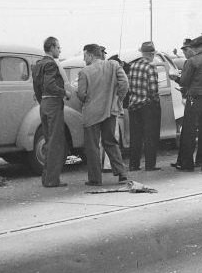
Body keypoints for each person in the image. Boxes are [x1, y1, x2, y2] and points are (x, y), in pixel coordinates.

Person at [77, 43, 130, 185]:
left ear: (90, 55)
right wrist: (118, 98)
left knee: (92, 146)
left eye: (84, 56)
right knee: (111, 142)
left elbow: (81, 94)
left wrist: (87, 98)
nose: (84, 59)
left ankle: (95, 179)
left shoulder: (84, 72)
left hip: (91, 114)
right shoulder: (113, 65)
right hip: (110, 111)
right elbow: (124, 82)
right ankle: (122, 174)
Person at [171, 34, 202, 172]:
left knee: (189, 131)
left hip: (195, 99)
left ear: (195, 48)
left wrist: (177, 78)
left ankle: (187, 164)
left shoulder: (192, 61)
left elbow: (184, 82)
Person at [32, 36, 70, 188]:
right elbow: (50, 85)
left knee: (48, 141)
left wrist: (43, 102)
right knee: (55, 142)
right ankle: (52, 180)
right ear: (52, 48)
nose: (60, 50)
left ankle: (46, 178)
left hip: (44, 104)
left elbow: (37, 87)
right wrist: (65, 93)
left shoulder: (38, 64)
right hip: (53, 103)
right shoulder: (50, 64)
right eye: (58, 47)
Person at [126, 40, 161, 171]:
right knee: (150, 136)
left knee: (136, 136)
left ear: (142, 53)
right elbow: (153, 89)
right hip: (147, 105)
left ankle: (134, 164)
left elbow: (129, 85)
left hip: (134, 104)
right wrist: (156, 101)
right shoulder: (150, 66)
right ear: (152, 54)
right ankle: (150, 165)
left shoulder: (133, 66)